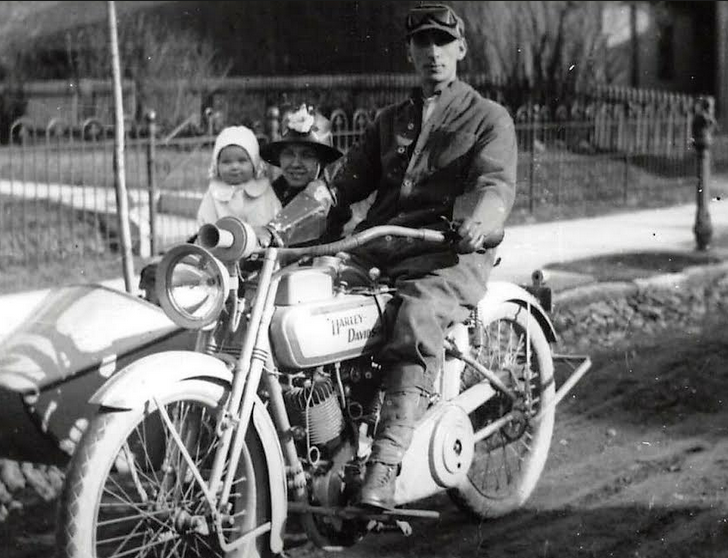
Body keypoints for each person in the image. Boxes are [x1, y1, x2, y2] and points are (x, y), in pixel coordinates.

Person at [320, 2, 518, 509]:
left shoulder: (488, 118)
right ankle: (332, 446)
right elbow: (342, 188)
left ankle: (384, 469)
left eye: (442, 42)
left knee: (416, 315)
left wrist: (481, 219)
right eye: (422, 43)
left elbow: (495, 183)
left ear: (461, 49)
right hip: (381, 246)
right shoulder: (389, 121)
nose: (433, 53)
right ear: (409, 51)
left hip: (448, 254)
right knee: (313, 304)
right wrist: (283, 229)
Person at [196, 124, 282, 228]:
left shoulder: (264, 190)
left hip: (261, 241)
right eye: (226, 162)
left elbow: (275, 215)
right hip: (223, 241)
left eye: (242, 161)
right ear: (217, 165)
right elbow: (205, 220)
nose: (234, 167)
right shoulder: (214, 192)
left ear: (254, 163)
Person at [260, 103, 344, 206]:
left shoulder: (331, 203)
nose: (295, 164)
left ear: (321, 161)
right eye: (289, 154)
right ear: (279, 157)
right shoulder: (270, 198)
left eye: (307, 155)